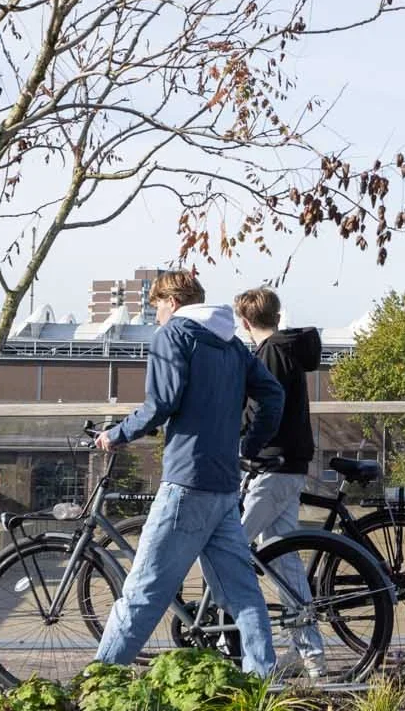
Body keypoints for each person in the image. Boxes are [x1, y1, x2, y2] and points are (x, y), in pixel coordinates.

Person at [91, 271, 283, 678]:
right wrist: (247, 445)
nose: (155, 316)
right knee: (243, 594)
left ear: (172, 302)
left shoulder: (173, 335)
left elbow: (160, 403)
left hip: (186, 483)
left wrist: (116, 434)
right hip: (222, 485)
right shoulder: (232, 342)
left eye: (156, 306)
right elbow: (273, 394)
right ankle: (262, 683)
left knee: (142, 591)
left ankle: (100, 682)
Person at [233, 286, 325, 678]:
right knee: (285, 560)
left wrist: (242, 444)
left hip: (272, 466)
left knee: (232, 550)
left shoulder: (268, 354)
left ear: (245, 321)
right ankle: (312, 657)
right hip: (290, 464)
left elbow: (261, 411)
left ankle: (234, 648)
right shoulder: (287, 350)